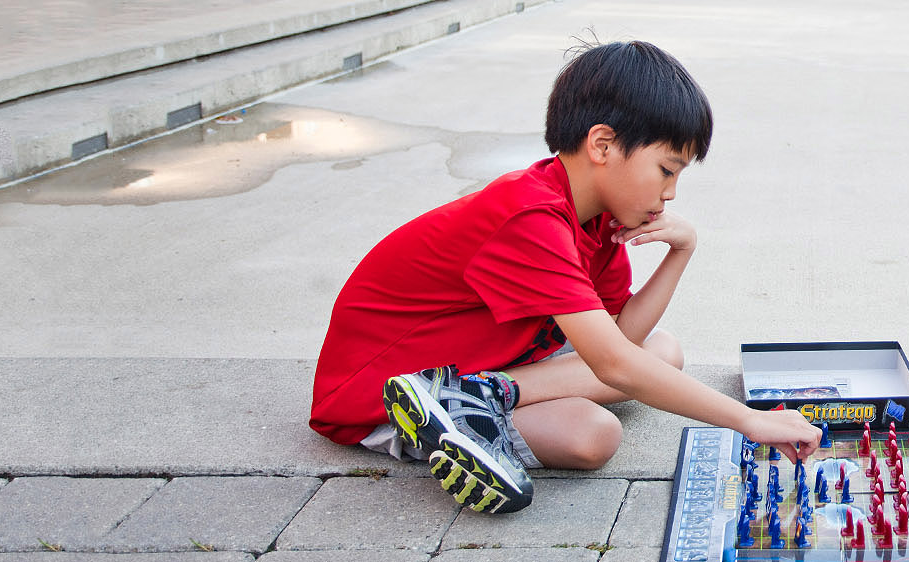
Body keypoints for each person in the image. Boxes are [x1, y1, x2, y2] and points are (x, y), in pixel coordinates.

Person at [308, 41, 819, 513]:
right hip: (379, 393)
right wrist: (748, 419)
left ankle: (475, 397)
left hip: (476, 363)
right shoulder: (530, 217)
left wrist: (680, 253)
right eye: (667, 169)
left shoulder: (593, 218)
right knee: (592, 434)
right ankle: (448, 407)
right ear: (602, 144)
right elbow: (615, 363)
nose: (672, 194)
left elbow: (624, 339)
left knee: (664, 352)